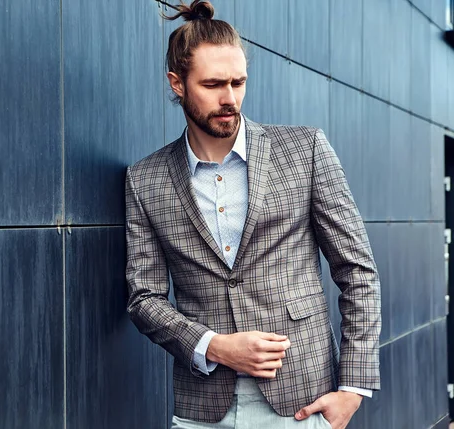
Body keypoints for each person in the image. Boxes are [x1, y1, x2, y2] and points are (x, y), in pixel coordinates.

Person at [125, 1, 381, 428]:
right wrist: (214, 346)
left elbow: (357, 270)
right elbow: (144, 298)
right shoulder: (145, 179)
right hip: (202, 411)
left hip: (304, 403)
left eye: (238, 82)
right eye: (213, 84)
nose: (230, 99)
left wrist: (352, 389)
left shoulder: (305, 150)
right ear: (177, 84)